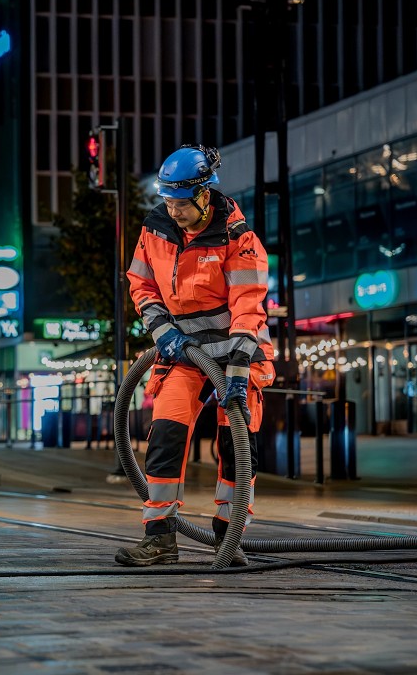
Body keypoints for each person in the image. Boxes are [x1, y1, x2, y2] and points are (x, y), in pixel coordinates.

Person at [115, 144, 274, 568]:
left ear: (205, 195)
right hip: (182, 349)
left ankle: (229, 536)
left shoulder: (239, 240)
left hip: (234, 352)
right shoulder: (155, 229)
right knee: (165, 433)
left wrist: (238, 370)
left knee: (236, 443)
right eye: (167, 200)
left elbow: (248, 307)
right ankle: (161, 538)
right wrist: (163, 330)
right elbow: (141, 284)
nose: (174, 209)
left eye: (181, 202)